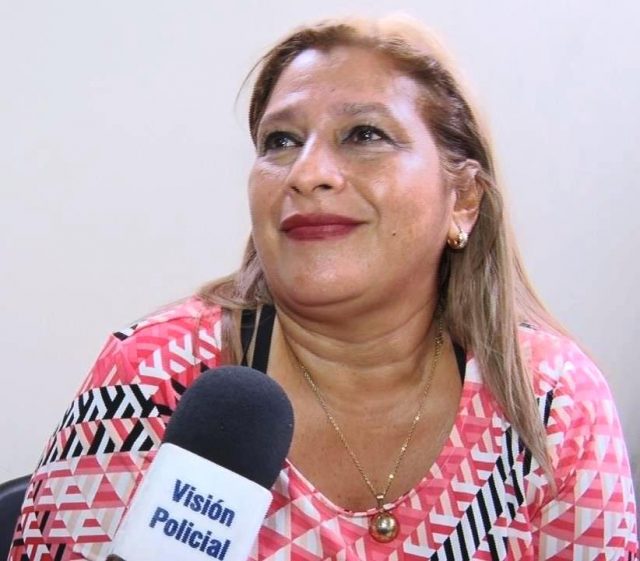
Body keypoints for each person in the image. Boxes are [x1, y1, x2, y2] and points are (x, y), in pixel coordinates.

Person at [8, 14, 637, 561]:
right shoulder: (153, 376)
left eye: (364, 135)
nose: (307, 174)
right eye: (280, 141)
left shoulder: (553, 402)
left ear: (464, 199)